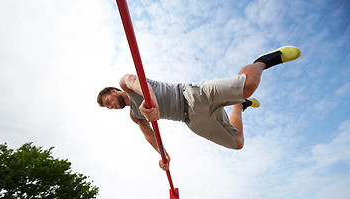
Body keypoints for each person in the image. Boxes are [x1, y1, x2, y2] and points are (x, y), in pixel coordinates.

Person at [97, 46, 301, 171]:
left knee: (248, 86)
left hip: (191, 95)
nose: (112, 107)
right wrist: (164, 155)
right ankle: (239, 106)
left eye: (109, 102)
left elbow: (136, 81)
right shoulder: (134, 115)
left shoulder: (124, 83)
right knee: (237, 142)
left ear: (114, 92)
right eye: (109, 108)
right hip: (193, 121)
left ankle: (262, 62)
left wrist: (152, 102)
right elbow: (149, 135)